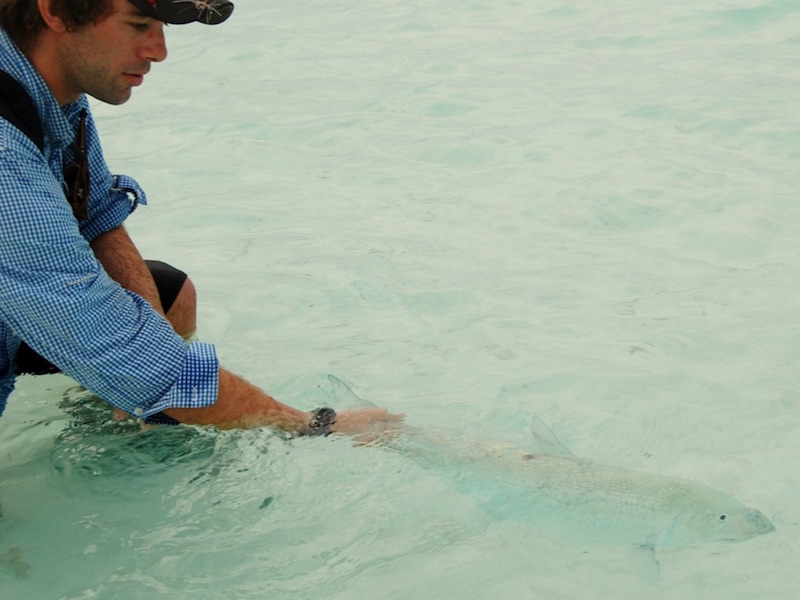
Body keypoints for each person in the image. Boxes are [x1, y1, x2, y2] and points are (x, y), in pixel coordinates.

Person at [0, 0, 401, 435]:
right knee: (136, 357)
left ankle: (125, 426)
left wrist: (151, 349)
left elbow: (96, 214)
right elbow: (111, 339)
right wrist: (313, 426)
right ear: (55, 11)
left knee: (171, 295)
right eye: (138, 25)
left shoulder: (52, 88)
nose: (159, 51)